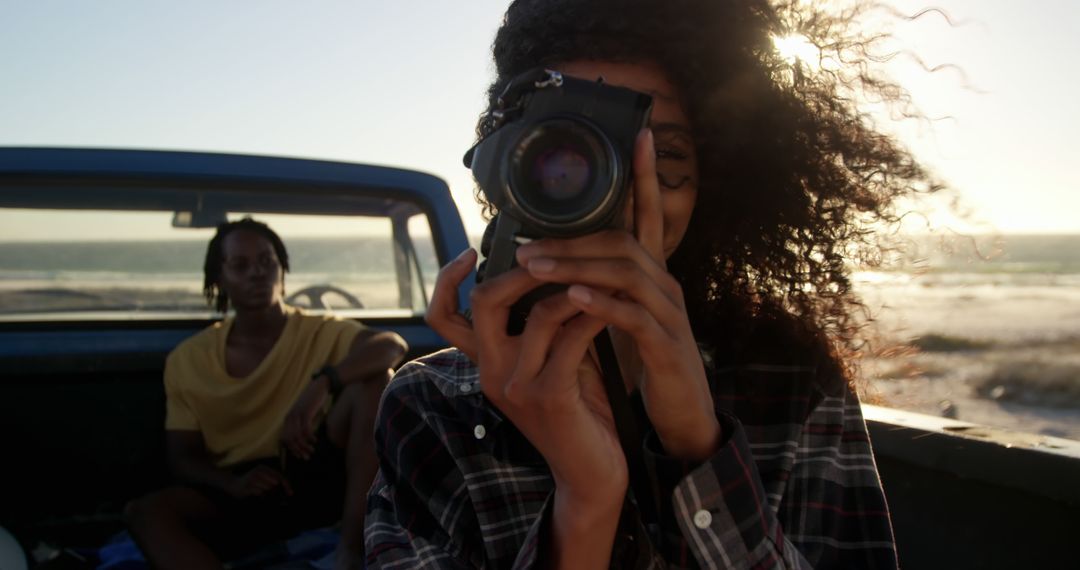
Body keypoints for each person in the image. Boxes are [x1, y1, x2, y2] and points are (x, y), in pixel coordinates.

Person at [366, 0, 934, 567]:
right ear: (503, 165)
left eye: (663, 154)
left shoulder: (791, 380)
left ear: (716, 182)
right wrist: (585, 504)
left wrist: (699, 444)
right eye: (570, 153)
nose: (618, 192)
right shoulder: (434, 406)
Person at [125, 218, 407, 570]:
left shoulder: (318, 331)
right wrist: (231, 484)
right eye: (240, 265)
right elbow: (182, 456)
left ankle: (353, 547)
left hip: (312, 471)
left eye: (266, 261)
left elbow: (391, 345)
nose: (257, 273)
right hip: (238, 488)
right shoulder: (189, 359)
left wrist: (320, 385)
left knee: (376, 379)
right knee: (147, 513)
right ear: (219, 279)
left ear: (282, 268)